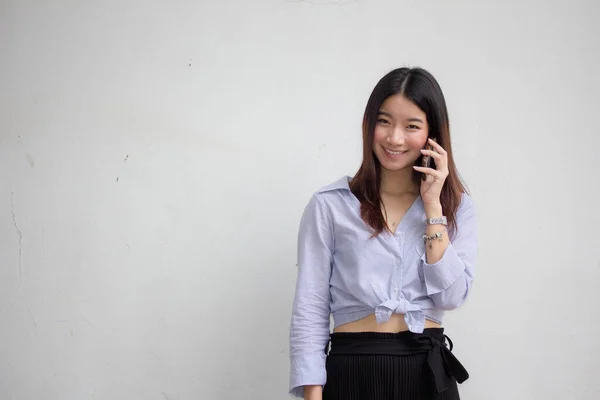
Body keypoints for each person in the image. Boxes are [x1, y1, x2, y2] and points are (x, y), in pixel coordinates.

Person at [288, 67, 478, 400]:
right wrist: (312, 395)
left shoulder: (457, 207)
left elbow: (451, 297)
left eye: (412, 126)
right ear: (368, 124)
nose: (395, 138)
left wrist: (434, 208)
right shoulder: (331, 205)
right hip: (353, 372)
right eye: (384, 121)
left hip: (427, 374)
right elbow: (310, 308)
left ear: (433, 134)